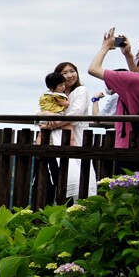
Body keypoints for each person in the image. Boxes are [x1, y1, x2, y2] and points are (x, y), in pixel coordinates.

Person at [41, 61, 97, 199]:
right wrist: (47, 115)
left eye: (72, 71)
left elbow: (76, 113)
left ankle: (80, 204)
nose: (70, 75)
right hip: (56, 139)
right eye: (64, 73)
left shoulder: (81, 90)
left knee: (80, 172)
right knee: (55, 175)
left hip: (76, 136)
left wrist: (53, 124)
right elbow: (41, 111)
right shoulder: (54, 95)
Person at [36, 71, 74, 145]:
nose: (63, 87)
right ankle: (72, 143)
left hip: (44, 118)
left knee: (41, 134)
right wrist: (68, 102)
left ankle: (37, 147)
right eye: (60, 85)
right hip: (55, 117)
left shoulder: (45, 95)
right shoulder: (57, 96)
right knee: (69, 127)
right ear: (52, 87)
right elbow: (65, 104)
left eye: (64, 84)